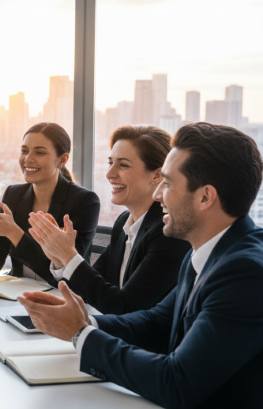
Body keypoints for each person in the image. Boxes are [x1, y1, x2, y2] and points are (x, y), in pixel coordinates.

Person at [18, 122, 263, 409]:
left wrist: (81, 334)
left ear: (205, 196)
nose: (158, 194)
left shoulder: (245, 273)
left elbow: (177, 382)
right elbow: (157, 322)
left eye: (168, 183)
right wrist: (84, 323)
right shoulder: (208, 250)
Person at [28, 125, 190, 314]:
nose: (109, 174)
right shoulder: (124, 222)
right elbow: (94, 289)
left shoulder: (168, 231)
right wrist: (59, 260)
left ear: (156, 175)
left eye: (123, 165)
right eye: (110, 163)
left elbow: (124, 307)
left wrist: (68, 255)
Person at [0, 122, 100, 284]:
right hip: (17, 292)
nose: (28, 159)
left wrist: (14, 232)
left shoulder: (85, 202)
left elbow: (64, 273)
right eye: (24, 151)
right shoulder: (13, 194)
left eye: (40, 152)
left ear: (62, 160)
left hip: (61, 294)